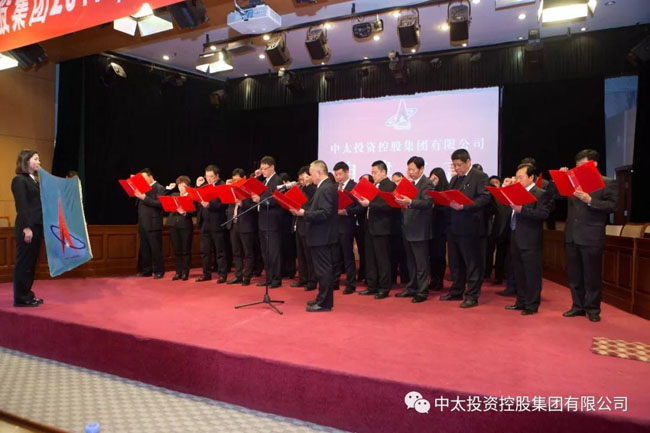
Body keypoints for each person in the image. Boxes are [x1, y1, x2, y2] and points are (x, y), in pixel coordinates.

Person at [562, 149, 618, 322]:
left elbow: (612, 206)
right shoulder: (573, 182)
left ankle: (593, 309)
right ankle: (577, 306)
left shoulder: (607, 182)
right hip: (572, 235)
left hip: (591, 236)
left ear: (594, 164)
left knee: (592, 276)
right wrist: (562, 179)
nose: (578, 169)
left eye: (582, 165)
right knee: (574, 275)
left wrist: (590, 201)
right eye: (577, 166)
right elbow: (555, 196)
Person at [440, 150, 491, 308]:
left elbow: (485, 197)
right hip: (454, 227)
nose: (457, 168)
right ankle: (456, 291)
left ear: (468, 161)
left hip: (470, 227)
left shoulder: (479, 176)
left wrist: (465, 206)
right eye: (454, 165)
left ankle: (472, 295)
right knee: (455, 263)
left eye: (459, 165)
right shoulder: (454, 179)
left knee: (472, 263)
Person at [291, 160, 338, 312]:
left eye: (311, 174)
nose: (310, 177)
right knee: (321, 270)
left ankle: (324, 303)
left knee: (324, 270)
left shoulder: (326, 188)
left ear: (319, 172)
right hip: (320, 235)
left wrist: (304, 213)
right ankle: (321, 299)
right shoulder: (324, 187)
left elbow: (325, 213)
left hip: (322, 235)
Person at [502, 164, 550, 315]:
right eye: (516, 177)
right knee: (519, 273)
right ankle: (521, 301)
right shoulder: (515, 192)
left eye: (521, 177)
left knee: (532, 274)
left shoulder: (540, 193)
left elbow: (543, 214)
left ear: (531, 177)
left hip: (530, 240)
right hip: (515, 236)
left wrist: (522, 209)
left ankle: (531, 305)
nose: (517, 180)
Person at [394, 156, 434, 303]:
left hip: (420, 230)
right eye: (408, 169)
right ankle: (412, 288)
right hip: (408, 228)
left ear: (421, 169)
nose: (410, 172)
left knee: (421, 263)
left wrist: (410, 202)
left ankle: (422, 291)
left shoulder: (427, 183)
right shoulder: (410, 184)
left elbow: (428, 203)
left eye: (412, 169)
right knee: (411, 262)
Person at [357, 161, 396, 299]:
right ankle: (372, 286)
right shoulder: (374, 186)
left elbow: (389, 206)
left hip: (382, 228)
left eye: (375, 172)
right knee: (370, 258)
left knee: (382, 259)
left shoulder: (390, 186)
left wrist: (370, 203)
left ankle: (384, 288)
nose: (373, 175)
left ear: (383, 172)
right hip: (369, 226)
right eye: (372, 172)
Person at [11, 150, 44, 307]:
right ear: (26, 161)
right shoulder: (19, 180)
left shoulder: (34, 181)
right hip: (28, 228)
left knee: (31, 264)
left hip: (37, 226)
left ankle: (27, 295)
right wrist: (27, 228)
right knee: (24, 263)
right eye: (35, 159)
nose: (39, 162)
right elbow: (22, 206)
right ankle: (21, 298)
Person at [251, 156, 283, 288]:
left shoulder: (277, 180)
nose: (263, 171)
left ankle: (276, 279)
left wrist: (260, 199)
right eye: (261, 168)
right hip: (263, 221)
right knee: (265, 252)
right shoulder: (264, 181)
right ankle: (269, 277)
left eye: (265, 169)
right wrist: (256, 176)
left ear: (272, 167)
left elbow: (277, 200)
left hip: (272, 221)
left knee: (273, 252)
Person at [195, 165, 228, 283]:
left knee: (220, 250)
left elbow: (223, 204)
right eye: (207, 176)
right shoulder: (204, 186)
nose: (209, 179)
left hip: (217, 222)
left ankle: (222, 274)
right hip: (205, 223)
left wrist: (210, 205)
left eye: (211, 176)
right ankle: (206, 274)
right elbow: (197, 201)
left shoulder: (222, 186)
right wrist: (197, 188)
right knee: (205, 251)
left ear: (217, 176)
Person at [333, 161, 361, 295]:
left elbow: (360, 207)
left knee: (347, 255)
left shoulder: (354, 186)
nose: (338, 177)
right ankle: (335, 281)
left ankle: (351, 283)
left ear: (347, 172)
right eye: (336, 175)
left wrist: (347, 211)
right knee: (335, 255)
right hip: (334, 225)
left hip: (347, 224)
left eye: (340, 174)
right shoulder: (334, 187)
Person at [225, 169, 256, 286]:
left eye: (237, 180)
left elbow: (254, 207)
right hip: (234, 223)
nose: (235, 182)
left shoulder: (249, 189)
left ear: (243, 179)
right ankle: (238, 275)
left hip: (246, 224)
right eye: (233, 180)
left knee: (248, 252)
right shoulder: (232, 189)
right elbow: (229, 206)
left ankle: (247, 276)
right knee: (236, 251)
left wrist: (242, 203)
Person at [134, 168, 167, 279]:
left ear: (150, 176)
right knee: (144, 248)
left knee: (156, 248)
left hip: (153, 223)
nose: (142, 181)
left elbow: (160, 204)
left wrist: (144, 198)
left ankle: (159, 270)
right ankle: (147, 270)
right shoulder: (142, 188)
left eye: (144, 178)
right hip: (142, 222)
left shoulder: (159, 188)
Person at [291, 166, 317, 291]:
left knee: (309, 255)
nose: (301, 181)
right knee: (300, 255)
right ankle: (303, 278)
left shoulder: (314, 188)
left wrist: (301, 210)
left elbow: (312, 206)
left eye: (303, 178)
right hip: (298, 224)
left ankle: (312, 281)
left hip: (308, 225)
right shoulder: (301, 189)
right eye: (300, 179)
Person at [166, 176, 194, 281]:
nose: (181, 188)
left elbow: (194, 211)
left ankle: (185, 272)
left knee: (186, 250)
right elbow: (163, 199)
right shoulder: (174, 195)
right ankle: (178, 272)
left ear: (188, 186)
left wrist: (185, 212)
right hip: (174, 225)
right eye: (179, 186)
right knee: (177, 250)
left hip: (185, 225)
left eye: (183, 186)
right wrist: (168, 189)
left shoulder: (191, 196)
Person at [485, 175, 511, 286]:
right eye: (492, 183)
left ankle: (499, 276)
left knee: (501, 254)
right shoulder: (487, 197)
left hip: (502, 229)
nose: (494, 185)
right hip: (490, 229)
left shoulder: (505, 196)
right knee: (488, 252)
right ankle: (486, 272)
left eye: (496, 182)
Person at [428, 167, 449, 292]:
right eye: (431, 178)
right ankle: (433, 279)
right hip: (429, 227)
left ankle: (439, 280)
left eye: (435, 178)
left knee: (439, 255)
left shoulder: (445, 191)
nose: (432, 180)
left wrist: (436, 205)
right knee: (431, 256)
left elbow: (447, 209)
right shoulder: (428, 190)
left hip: (440, 228)